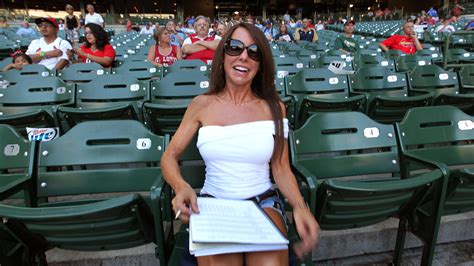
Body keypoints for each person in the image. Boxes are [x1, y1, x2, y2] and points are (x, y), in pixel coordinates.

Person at [161, 22, 319, 266]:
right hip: (215, 203)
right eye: (235, 48)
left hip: (263, 201)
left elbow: (280, 167)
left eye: (254, 52)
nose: (244, 56)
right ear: (222, 54)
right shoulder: (201, 105)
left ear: (260, 63)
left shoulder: (275, 108)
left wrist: (299, 206)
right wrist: (181, 186)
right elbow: (169, 156)